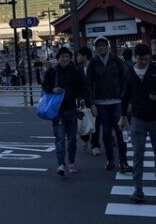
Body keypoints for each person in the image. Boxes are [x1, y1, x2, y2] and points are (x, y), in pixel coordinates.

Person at [119, 42, 156, 201]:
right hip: (137, 118)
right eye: (141, 59)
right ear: (135, 58)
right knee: (137, 153)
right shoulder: (129, 74)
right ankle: (138, 189)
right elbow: (125, 96)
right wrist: (122, 116)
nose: (144, 62)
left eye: (147, 59)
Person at [42, 46, 88, 177]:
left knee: (72, 139)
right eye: (62, 56)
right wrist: (52, 89)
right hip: (57, 111)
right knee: (60, 138)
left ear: (70, 58)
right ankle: (61, 164)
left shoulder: (74, 71)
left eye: (67, 56)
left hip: (71, 109)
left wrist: (81, 98)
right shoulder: (52, 71)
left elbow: (82, 86)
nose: (65, 59)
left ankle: (72, 162)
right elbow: (44, 86)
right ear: (58, 58)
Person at [86, 36, 130, 173]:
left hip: (117, 101)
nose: (101, 47)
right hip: (100, 102)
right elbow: (88, 85)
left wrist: (125, 98)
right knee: (105, 133)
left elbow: (126, 78)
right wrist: (92, 104)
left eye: (103, 45)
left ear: (107, 46)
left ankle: (123, 161)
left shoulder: (116, 60)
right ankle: (110, 160)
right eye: (99, 45)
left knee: (120, 131)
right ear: (96, 47)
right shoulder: (93, 63)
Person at [75, 47, 99, 154]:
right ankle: (85, 139)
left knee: (96, 122)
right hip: (83, 99)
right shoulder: (78, 69)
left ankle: (95, 145)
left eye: (79, 55)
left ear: (85, 56)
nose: (77, 57)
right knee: (82, 120)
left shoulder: (94, 67)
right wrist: (80, 98)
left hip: (96, 97)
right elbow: (77, 86)